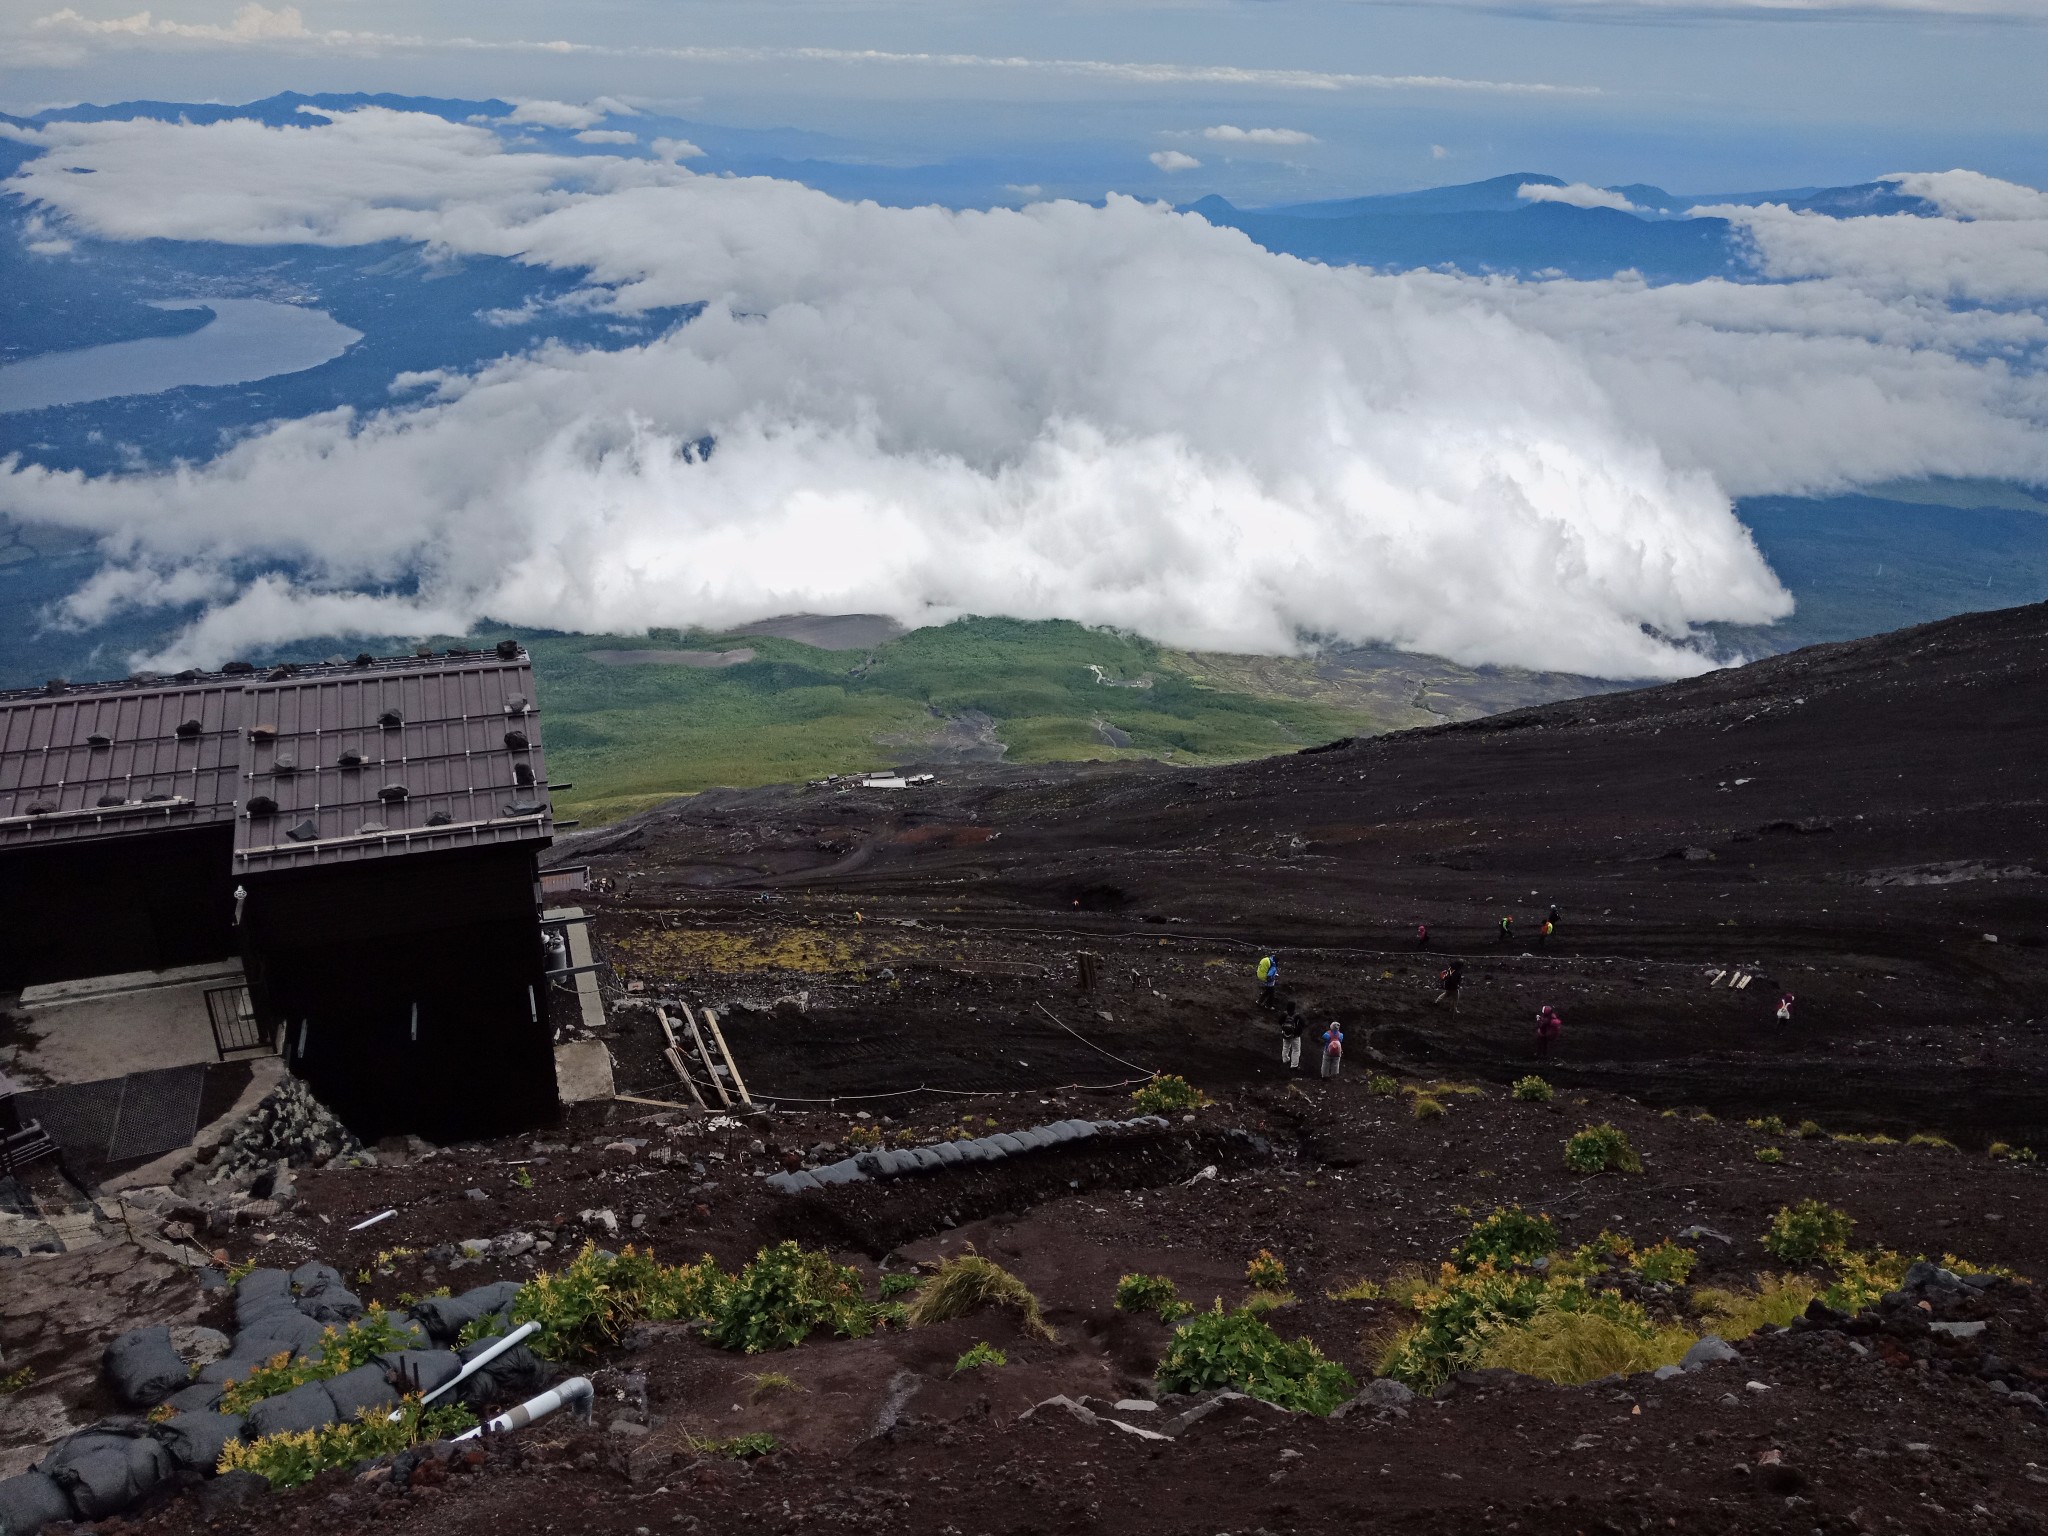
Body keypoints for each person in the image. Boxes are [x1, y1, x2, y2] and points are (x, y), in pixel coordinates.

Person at [1279, 1002, 1306, 1068]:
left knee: (1285, 1047)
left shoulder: (1284, 1014)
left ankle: (1285, 1060)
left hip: (1285, 1033)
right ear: (1294, 1008)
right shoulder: (1297, 1015)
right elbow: (1303, 1024)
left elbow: (1280, 1022)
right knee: (1296, 1050)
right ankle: (1294, 1065)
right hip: (1295, 1035)